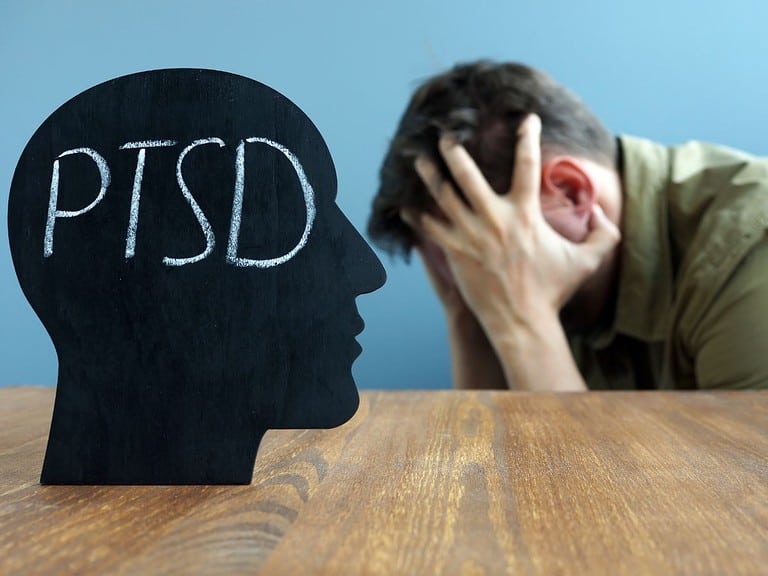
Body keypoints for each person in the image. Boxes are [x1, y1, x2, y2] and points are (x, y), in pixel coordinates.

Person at [368, 60, 768, 391]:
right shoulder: (547, 291)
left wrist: (523, 320)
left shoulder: (749, 247)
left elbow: (743, 486)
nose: (469, 279)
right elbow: (487, 476)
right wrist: (468, 321)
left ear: (572, 193)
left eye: (472, 246)